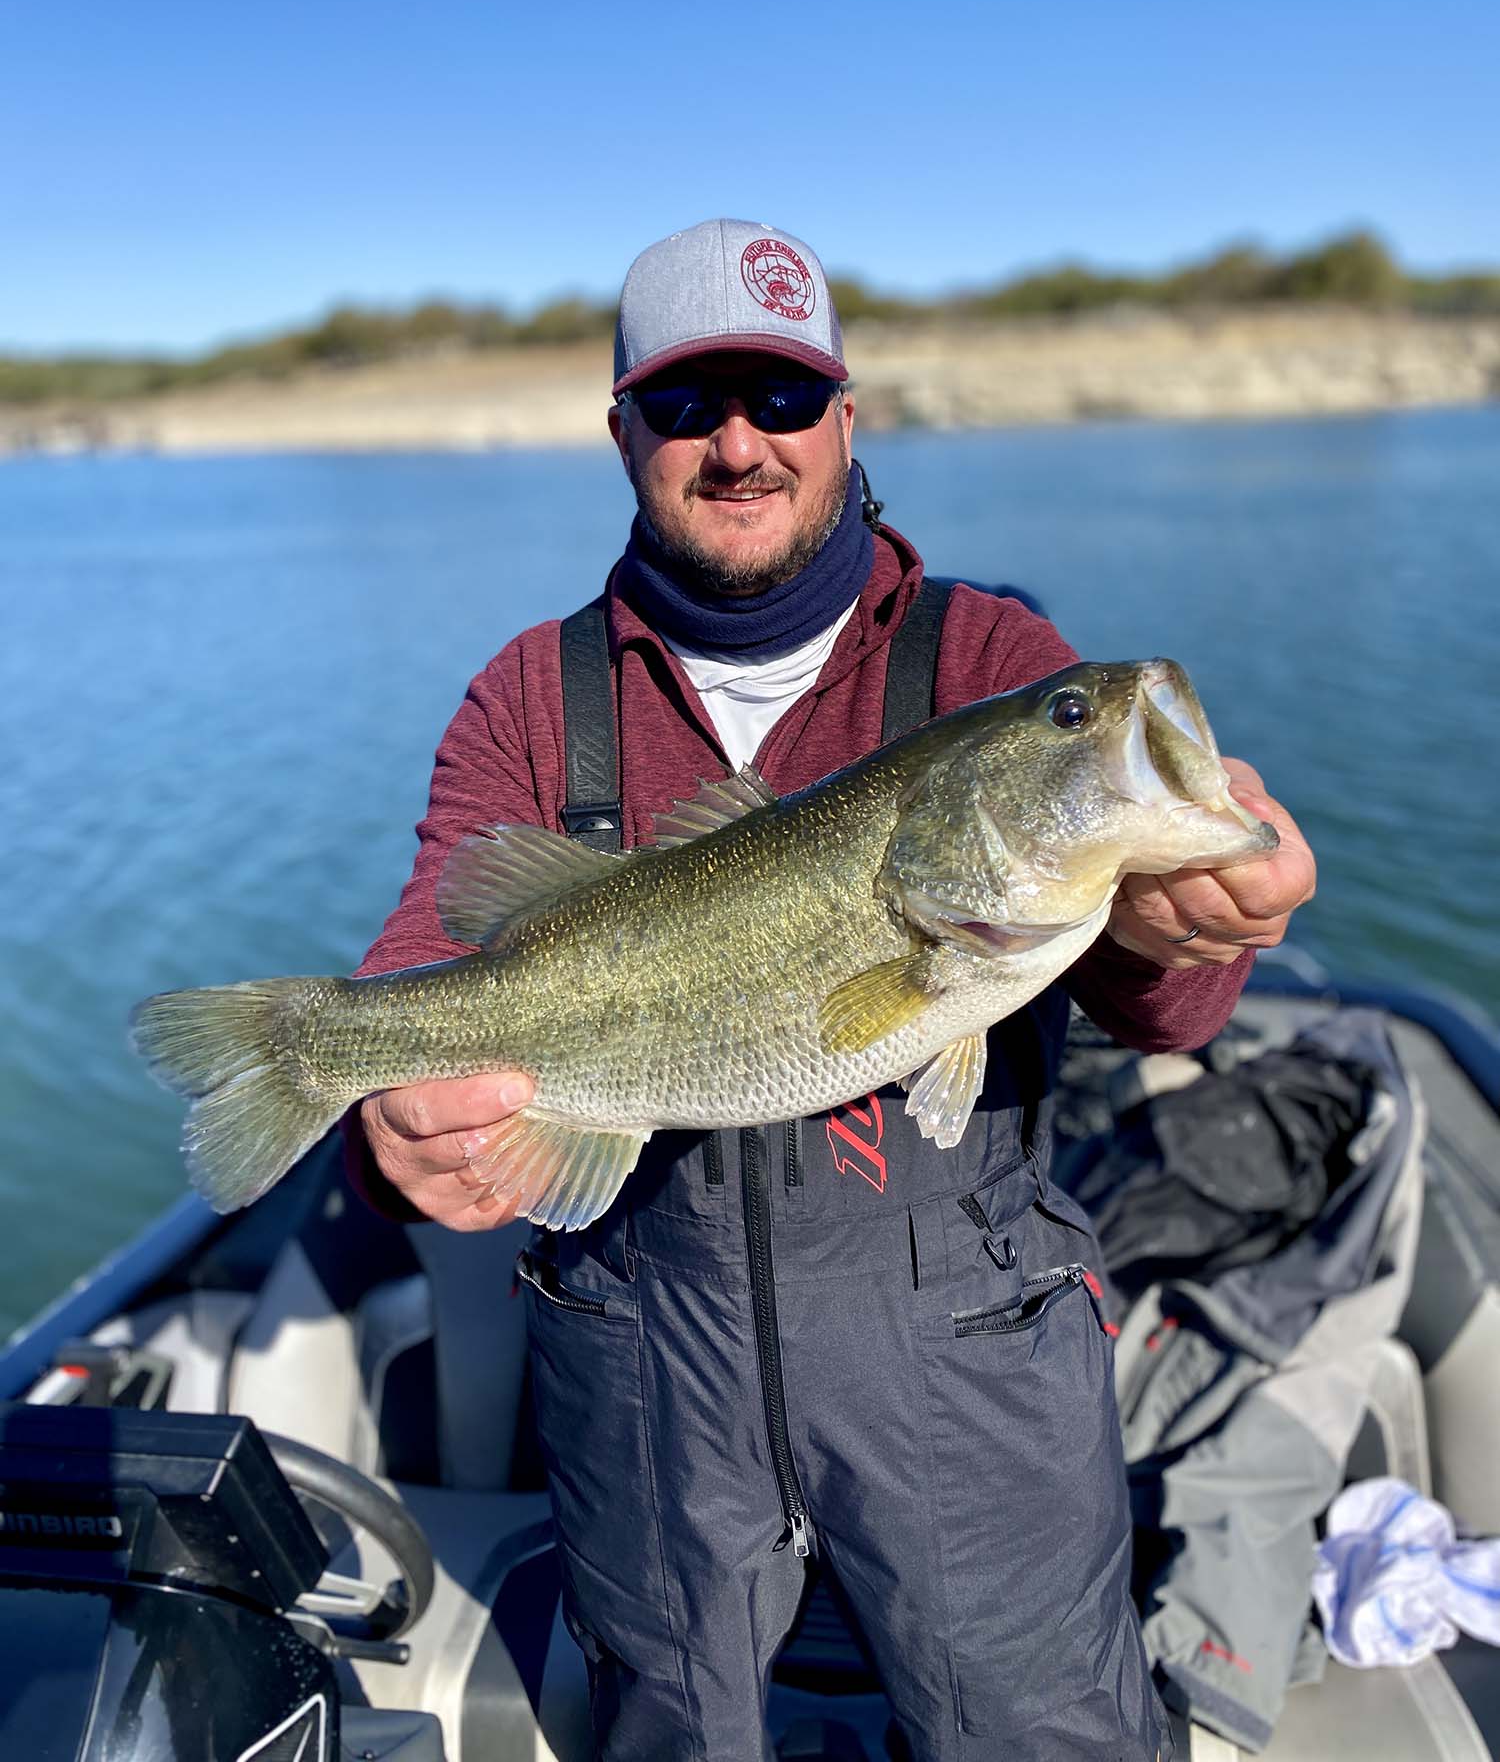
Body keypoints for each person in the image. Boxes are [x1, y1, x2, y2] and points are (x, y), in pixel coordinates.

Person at [344, 218, 1317, 1762]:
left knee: (1042, 1730)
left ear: (847, 419)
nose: (740, 444)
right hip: (644, 1367)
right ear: (622, 436)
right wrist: (392, 1116)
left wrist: (1193, 932)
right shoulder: (533, 693)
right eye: (687, 405)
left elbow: (1165, 1013)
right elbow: (422, 956)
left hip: (971, 1358)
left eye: (783, 400)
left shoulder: (992, 656)